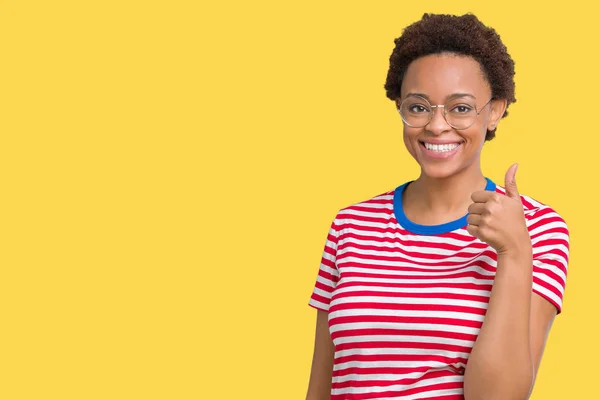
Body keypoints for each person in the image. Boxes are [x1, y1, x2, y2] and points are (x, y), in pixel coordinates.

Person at [305, 13, 570, 400]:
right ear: (400, 107)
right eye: (418, 107)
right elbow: (320, 387)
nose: (436, 125)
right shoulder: (351, 224)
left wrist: (514, 253)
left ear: (494, 110)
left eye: (460, 108)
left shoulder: (538, 229)